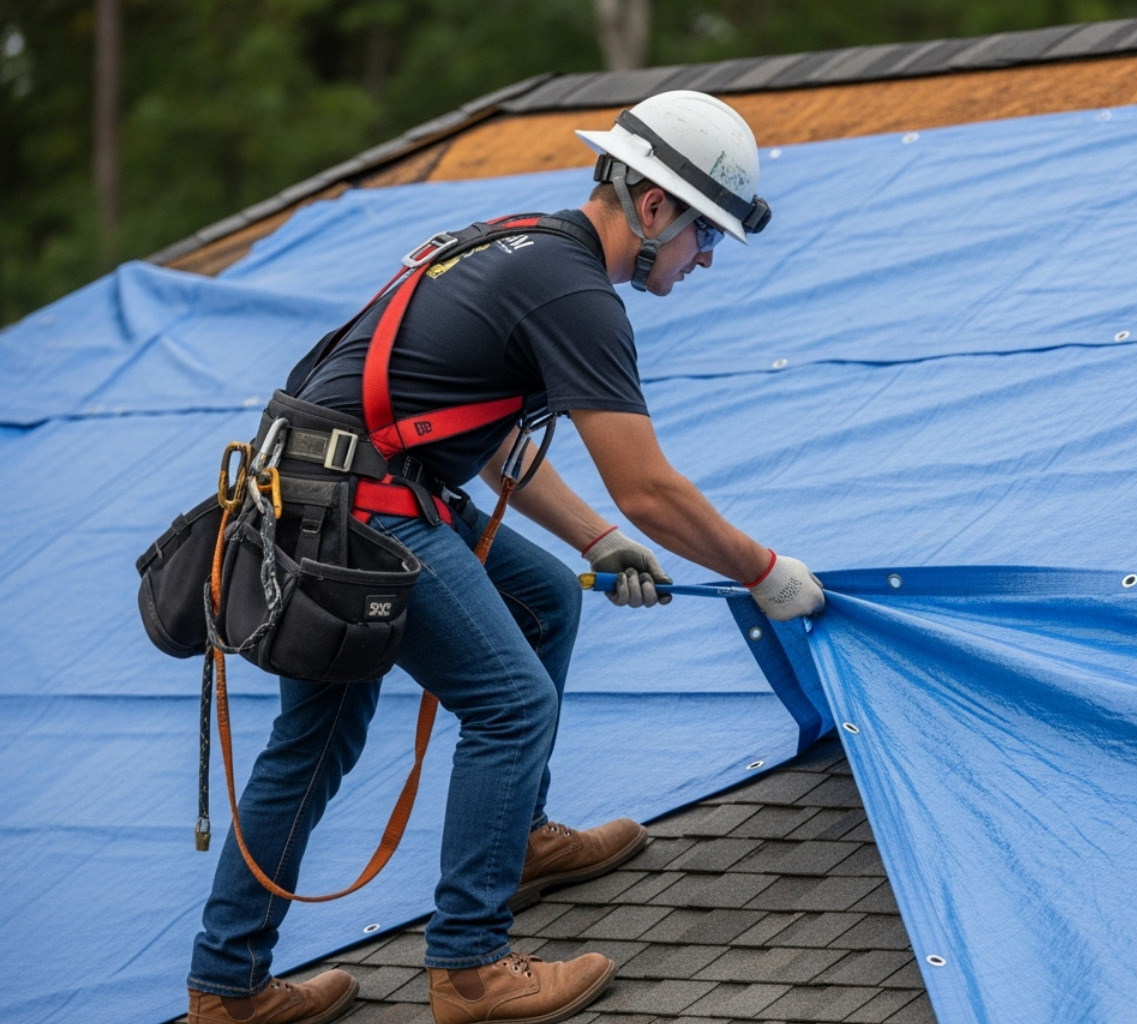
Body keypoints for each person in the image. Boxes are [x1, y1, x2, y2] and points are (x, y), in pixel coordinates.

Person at [184, 90, 824, 1024]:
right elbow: (649, 487)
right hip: (360, 513)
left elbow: (480, 433)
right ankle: (472, 966)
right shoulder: (577, 294)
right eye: (704, 235)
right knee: (509, 701)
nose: (707, 260)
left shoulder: (517, 240)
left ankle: (232, 983)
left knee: (539, 607)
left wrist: (595, 540)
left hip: (309, 500)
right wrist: (764, 571)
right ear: (653, 208)